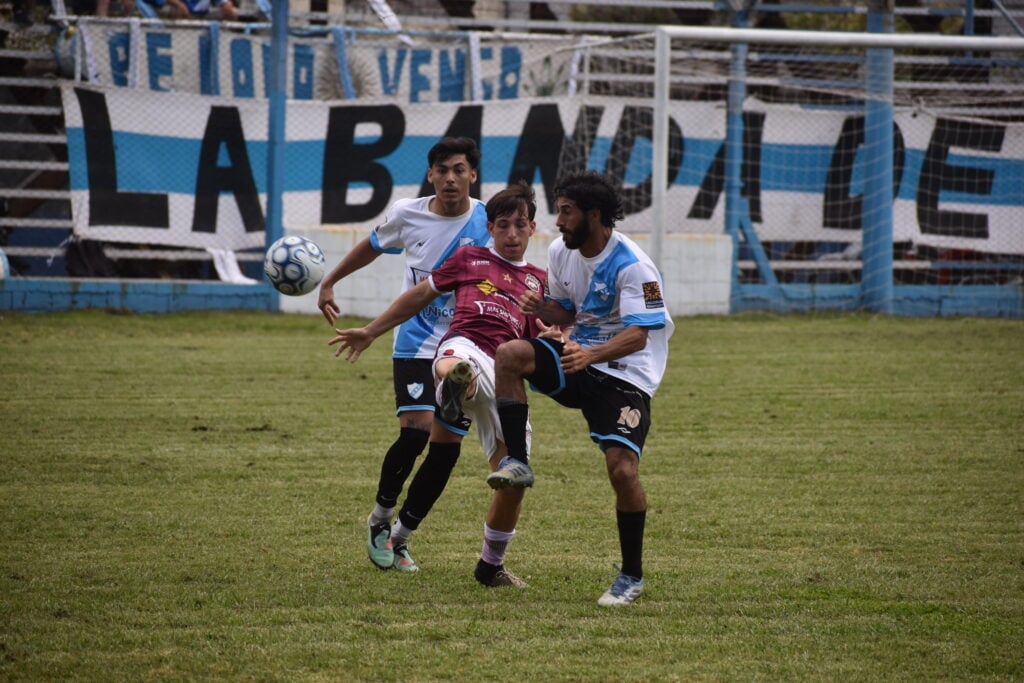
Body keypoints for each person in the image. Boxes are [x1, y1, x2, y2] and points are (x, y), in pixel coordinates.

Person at [329, 181, 549, 587]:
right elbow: (418, 296)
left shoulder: (539, 282)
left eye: (521, 226)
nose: (513, 234)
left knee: (512, 475)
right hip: (462, 347)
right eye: (504, 225)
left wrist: (557, 339)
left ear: (533, 228)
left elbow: (545, 335)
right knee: (453, 365)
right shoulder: (469, 258)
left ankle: (489, 564)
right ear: (491, 227)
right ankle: (455, 387)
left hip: (506, 375)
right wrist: (373, 331)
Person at [488, 170, 674, 607]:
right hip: (578, 357)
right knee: (510, 355)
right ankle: (517, 461)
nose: (558, 221)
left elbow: (639, 335)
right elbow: (567, 310)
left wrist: (590, 355)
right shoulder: (561, 251)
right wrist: (543, 308)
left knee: (623, 471)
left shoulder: (634, 266)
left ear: (594, 214)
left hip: (625, 374)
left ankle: (631, 576)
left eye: (566, 212)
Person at [317, 137, 492, 573]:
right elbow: (371, 246)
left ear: (472, 175)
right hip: (414, 340)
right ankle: (379, 519)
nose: (450, 178)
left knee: (446, 448)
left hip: (464, 343)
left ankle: (402, 536)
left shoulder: (490, 220)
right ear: (430, 175)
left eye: (458, 170)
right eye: (441, 170)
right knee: (416, 432)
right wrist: (330, 280)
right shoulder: (407, 214)